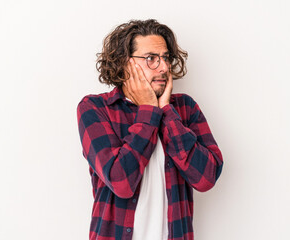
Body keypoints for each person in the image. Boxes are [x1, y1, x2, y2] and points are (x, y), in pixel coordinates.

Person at [77, 19, 223, 240]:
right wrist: (148, 111)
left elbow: (206, 178)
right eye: (151, 59)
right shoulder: (95, 109)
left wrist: (166, 111)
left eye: (165, 58)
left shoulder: (185, 108)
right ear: (125, 63)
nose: (164, 67)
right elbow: (121, 181)